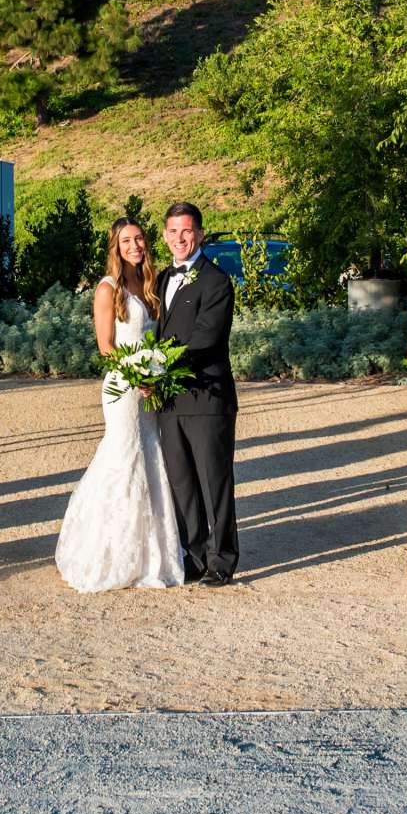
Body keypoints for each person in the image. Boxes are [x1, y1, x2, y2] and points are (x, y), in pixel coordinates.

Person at [54, 218, 183, 593]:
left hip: (150, 388)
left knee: (151, 456)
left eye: (139, 238)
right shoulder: (108, 289)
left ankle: (152, 556)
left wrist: (157, 375)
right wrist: (135, 376)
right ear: (115, 246)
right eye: (126, 240)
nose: (135, 245)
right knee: (124, 457)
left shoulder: (149, 286)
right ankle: (109, 552)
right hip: (124, 388)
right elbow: (106, 346)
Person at [153, 202, 241, 585]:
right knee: (182, 483)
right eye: (172, 231)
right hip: (168, 400)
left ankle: (222, 560)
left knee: (213, 481)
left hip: (207, 397)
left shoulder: (217, 281)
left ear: (200, 234)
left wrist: (156, 366)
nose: (179, 238)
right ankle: (194, 555)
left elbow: (205, 339)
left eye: (186, 231)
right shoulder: (159, 279)